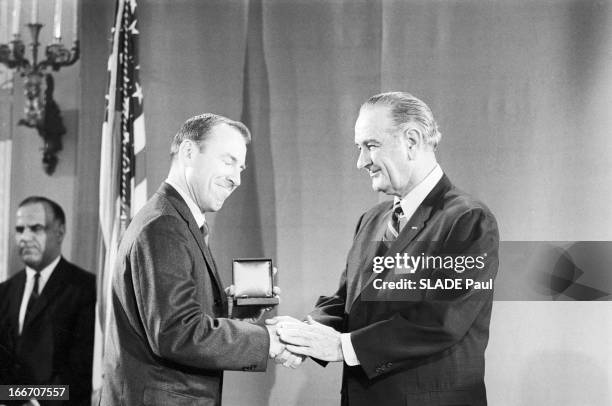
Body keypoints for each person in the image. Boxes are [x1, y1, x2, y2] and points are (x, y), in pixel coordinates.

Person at [270, 92, 500, 405]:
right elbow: (348, 300)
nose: (361, 161)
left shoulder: (468, 220)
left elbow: (441, 322)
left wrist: (342, 347)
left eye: (371, 146)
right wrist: (305, 335)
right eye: (359, 148)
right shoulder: (372, 219)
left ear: (412, 140)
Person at [99, 113, 284, 406]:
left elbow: (170, 320)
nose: (236, 178)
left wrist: (235, 318)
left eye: (241, 167)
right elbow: (177, 333)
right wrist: (267, 340)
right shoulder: (164, 226)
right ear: (188, 152)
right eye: (228, 161)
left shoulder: (174, 220)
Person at [0, 196, 96, 406]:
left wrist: (34, 402)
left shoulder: (86, 289)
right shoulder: (4, 292)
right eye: (19, 229)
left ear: (59, 233)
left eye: (36, 228)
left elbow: (82, 371)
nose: (25, 237)